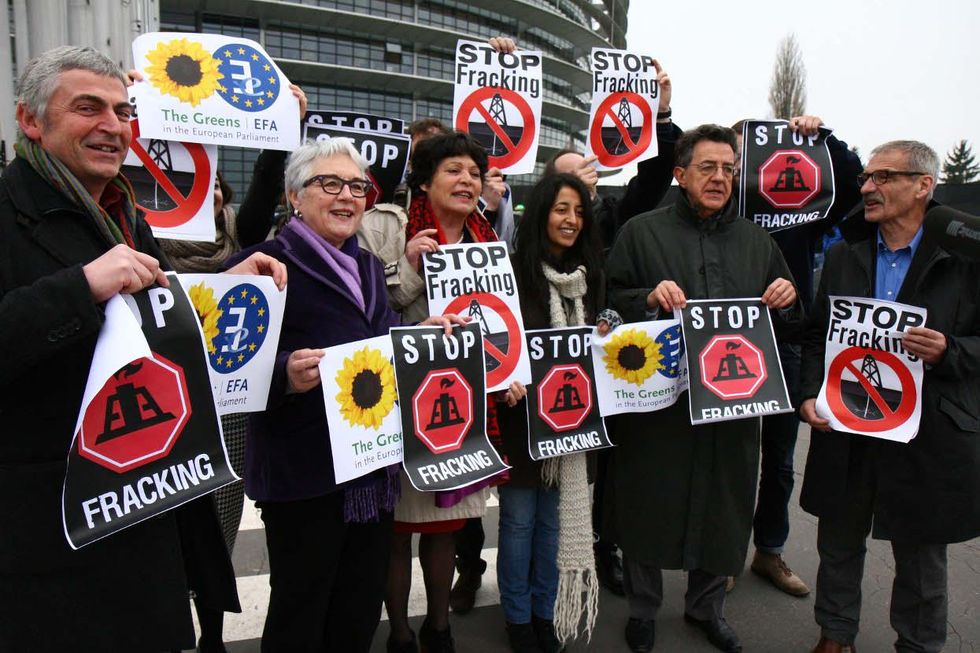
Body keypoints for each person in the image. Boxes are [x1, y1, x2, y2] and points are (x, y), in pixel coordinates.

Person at [0, 45, 284, 653]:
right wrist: (80, 288)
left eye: (123, 112)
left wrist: (229, 284)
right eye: (87, 108)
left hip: (144, 509)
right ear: (30, 120)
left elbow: (152, 309)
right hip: (50, 532)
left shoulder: (125, 212)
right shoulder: (7, 211)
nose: (112, 126)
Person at [225, 137, 464, 653]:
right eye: (328, 184)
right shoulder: (263, 264)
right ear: (295, 196)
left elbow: (380, 344)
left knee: (357, 610)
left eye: (357, 186)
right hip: (303, 475)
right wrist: (285, 374)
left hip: (371, 471)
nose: (346, 197)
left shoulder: (369, 267)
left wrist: (422, 333)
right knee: (301, 612)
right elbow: (226, 371)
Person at [605, 124, 800, 653]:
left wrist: (787, 294)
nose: (720, 177)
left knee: (726, 508)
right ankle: (643, 611)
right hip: (658, 409)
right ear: (680, 173)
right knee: (649, 504)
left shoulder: (759, 242)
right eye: (708, 167)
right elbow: (607, 305)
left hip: (735, 408)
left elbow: (791, 318)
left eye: (729, 169)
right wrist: (647, 297)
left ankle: (705, 609)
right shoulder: (641, 233)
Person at [798, 140, 980, 653]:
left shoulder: (966, 259)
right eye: (866, 178)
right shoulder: (843, 256)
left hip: (930, 430)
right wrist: (811, 393)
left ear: (924, 186)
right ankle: (834, 635)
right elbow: (817, 335)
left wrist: (950, 351)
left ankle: (918, 645)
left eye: (883, 177)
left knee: (921, 554)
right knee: (838, 539)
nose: (868, 188)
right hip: (849, 424)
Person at [729, 115, 863, 598]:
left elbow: (850, 185)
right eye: (739, 156)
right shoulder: (725, 210)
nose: (747, 165)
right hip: (726, 344)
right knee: (732, 457)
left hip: (785, 342)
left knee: (780, 460)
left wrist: (823, 137)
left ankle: (769, 550)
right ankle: (725, 554)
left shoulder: (805, 211)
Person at [497, 173, 617, 653]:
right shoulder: (511, 271)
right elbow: (493, 337)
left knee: (556, 523)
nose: (570, 220)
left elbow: (605, 333)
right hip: (523, 422)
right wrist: (501, 373)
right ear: (542, 212)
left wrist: (611, 324)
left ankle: (546, 612)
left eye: (578, 212)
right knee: (519, 523)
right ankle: (517, 616)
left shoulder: (594, 273)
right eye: (560, 209)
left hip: (574, 420)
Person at [544, 58, 679, 251]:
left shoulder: (614, 217)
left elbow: (652, 182)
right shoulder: (535, 228)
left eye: (586, 168)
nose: (584, 176)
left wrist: (661, 114)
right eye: (572, 176)